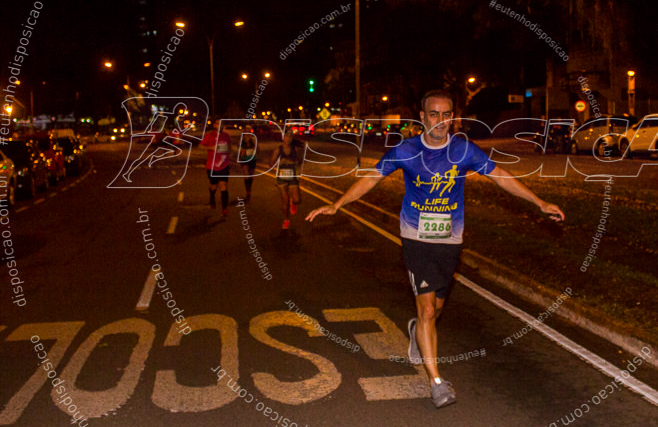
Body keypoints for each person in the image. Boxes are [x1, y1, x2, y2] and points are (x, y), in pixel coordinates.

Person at [307, 89, 564, 408]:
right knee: (428, 309)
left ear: (453, 117)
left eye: (446, 114)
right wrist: (337, 204)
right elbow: (371, 179)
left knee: (436, 309)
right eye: (434, 114)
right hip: (415, 235)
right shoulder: (407, 150)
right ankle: (437, 382)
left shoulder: (463, 150)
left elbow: (501, 177)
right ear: (422, 116)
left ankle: (417, 330)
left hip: (450, 238)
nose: (440, 121)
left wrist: (539, 202)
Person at [271, 127, 303, 230]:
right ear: (283, 137)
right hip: (281, 177)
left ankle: (293, 203)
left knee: (297, 200)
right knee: (284, 199)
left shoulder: (295, 149)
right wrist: (279, 163)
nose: (288, 138)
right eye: (286, 136)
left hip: (292, 175)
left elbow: (300, 161)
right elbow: (270, 163)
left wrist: (295, 164)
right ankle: (286, 220)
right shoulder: (278, 149)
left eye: (290, 136)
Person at [199, 118, 232, 218]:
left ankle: (224, 209)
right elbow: (200, 146)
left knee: (223, 186)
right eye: (217, 123)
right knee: (213, 186)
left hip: (224, 164)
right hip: (212, 165)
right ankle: (212, 196)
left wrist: (227, 149)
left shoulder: (226, 136)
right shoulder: (209, 135)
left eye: (221, 123)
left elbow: (230, 149)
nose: (219, 125)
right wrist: (211, 147)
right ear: (214, 125)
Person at [237, 132, 259, 200]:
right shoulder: (242, 140)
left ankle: (249, 189)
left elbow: (257, 148)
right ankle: (248, 192)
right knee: (246, 174)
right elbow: (238, 147)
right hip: (244, 159)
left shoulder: (253, 140)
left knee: (250, 175)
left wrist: (254, 147)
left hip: (252, 159)